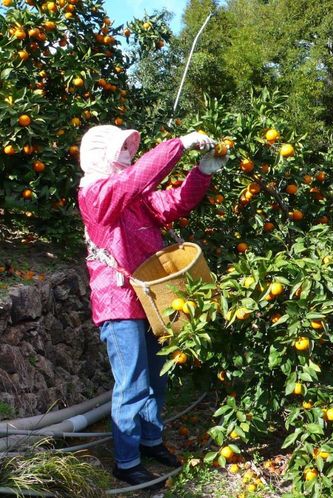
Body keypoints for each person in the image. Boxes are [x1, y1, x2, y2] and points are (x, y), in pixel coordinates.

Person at [77, 125, 225, 487]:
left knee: (157, 375)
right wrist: (179, 145)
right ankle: (126, 461)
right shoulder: (97, 193)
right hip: (118, 301)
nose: (128, 154)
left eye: (131, 149)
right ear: (102, 153)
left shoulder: (134, 198)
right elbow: (131, 182)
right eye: (123, 149)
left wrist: (200, 173)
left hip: (151, 297)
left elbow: (173, 202)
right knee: (132, 383)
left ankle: (150, 440)